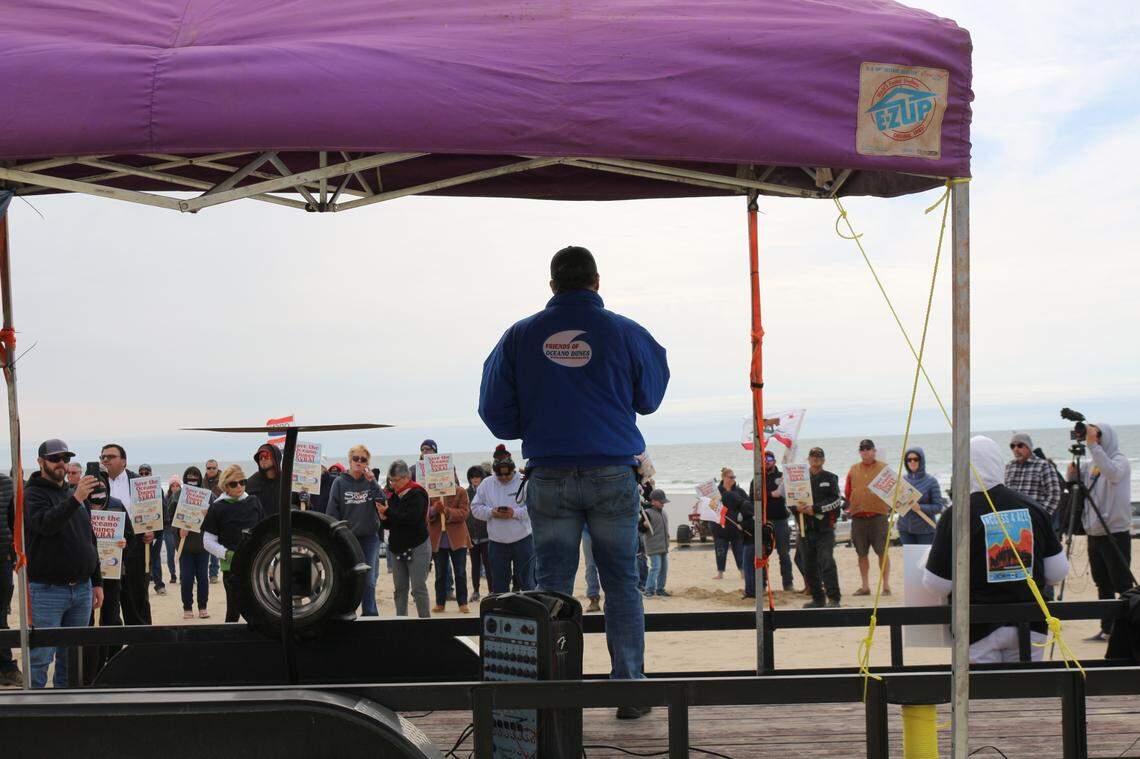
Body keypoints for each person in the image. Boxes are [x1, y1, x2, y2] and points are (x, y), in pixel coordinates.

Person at [479, 245, 669, 719]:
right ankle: (629, 690)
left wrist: (543, 418)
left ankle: (557, 697)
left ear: (552, 286)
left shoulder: (519, 336)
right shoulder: (626, 331)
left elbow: (494, 413)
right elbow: (650, 397)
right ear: (597, 282)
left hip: (550, 474)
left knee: (553, 587)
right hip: (611, 473)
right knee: (622, 583)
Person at [924, 436, 1068, 662]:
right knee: (1024, 692)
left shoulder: (957, 513)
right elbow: (1057, 572)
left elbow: (937, 584)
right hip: (1031, 624)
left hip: (977, 627)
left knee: (983, 694)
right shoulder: (1033, 507)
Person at [24, 439, 103, 688]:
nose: (62, 464)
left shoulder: (72, 495)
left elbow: (89, 539)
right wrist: (76, 499)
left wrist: (96, 582)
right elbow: (45, 524)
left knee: (71, 657)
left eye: (65, 459)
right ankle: (32, 710)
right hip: (47, 590)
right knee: (41, 657)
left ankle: (65, 707)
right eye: (55, 458)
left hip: (81, 588)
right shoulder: (31, 494)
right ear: (40, 462)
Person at [1070, 422, 1133, 643]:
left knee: (1122, 584)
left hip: (1115, 531)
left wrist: (1093, 444)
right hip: (1094, 532)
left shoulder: (1120, 461)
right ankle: (1107, 629)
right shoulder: (1091, 464)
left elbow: (1113, 474)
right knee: (1102, 583)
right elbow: (1079, 487)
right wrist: (1072, 474)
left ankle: (1130, 628)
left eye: (1097, 435)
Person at [202, 465, 267, 623]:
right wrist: (226, 554)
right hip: (231, 566)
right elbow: (208, 542)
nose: (239, 486)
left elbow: (264, 532)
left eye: (242, 482)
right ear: (225, 487)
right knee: (234, 609)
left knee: (258, 609)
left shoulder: (254, 502)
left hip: (255, 564)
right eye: (233, 484)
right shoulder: (217, 508)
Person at [326, 445, 385, 616]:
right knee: (346, 578)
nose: (359, 462)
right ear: (350, 461)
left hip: (369, 538)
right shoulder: (339, 482)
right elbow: (332, 512)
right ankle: (346, 613)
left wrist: (372, 481)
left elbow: (382, 501)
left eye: (363, 459)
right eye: (356, 459)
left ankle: (370, 614)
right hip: (347, 538)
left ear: (367, 462)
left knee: (369, 580)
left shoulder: (370, 481)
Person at [100, 443, 153, 623]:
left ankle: (142, 647)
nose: (106, 460)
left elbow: (159, 515)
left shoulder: (140, 483)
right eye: (103, 457)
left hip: (135, 552)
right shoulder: (95, 483)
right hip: (104, 553)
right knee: (108, 608)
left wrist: (154, 533)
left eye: (111, 456)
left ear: (123, 461)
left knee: (136, 604)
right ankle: (113, 650)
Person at [470, 458, 536, 594]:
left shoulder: (524, 480)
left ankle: (530, 611)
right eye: (500, 475)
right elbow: (475, 508)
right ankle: (503, 613)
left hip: (523, 539)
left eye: (508, 474)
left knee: (527, 582)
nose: (504, 477)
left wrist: (515, 513)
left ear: (514, 470)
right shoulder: (486, 484)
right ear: (494, 473)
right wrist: (491, 512)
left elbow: (534, 507)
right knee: (499, 585)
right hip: (497, 542)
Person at [380, 460, 431, 618]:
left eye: (395, 480)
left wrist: (388, 513)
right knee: (400, 588)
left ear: (406, 477)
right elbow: (392, 523)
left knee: (418, 588)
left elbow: (411, 519)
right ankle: (401, 621)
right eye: (391, 480)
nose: (393, 483)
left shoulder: (418, 493)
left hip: (417, 546)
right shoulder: (394, 497)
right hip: (397, 547)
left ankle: (425, 622)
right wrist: (383, 517)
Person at [795, 447, 843, 608]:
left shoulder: (830, 478)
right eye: (813, 456)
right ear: (808, 459)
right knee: (808, 566)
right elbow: (790, 500)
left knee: (826, 562)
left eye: (819, 457)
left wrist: (815, 508)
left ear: (823, 460)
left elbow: (837, 501)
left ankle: (834, 598)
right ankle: (818, 599)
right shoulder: (798, 479)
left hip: (824, 530)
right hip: (804, 529)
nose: (815, 459)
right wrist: (796, 509)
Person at [844, 439, 891, 596]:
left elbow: (894, 489)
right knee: (861, 553)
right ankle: (865, 587)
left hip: (878, 517)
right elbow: (848, 492)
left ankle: (886, 585)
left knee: (882, 551)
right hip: (858, 517)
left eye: (868, 449)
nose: (865, 451)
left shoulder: (884, 468)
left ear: (874, 451)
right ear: (860, 452)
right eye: (862, 449)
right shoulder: (853, 469)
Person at [749, 451, 794, 592]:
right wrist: (770, 494)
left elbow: (792, 493)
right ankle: (762, 585)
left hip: (781, 520)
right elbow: (752, 499)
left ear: (774, 461)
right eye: (763, 459)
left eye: (769, 458)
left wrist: (784, 486)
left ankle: (788, 584)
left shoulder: (782, 476)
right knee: (762, 554)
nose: (766, 461)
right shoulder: (757, 479)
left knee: (784, 554)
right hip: (764, 521)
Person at [428, 476, 472, 614]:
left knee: (460, 572)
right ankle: (440, 603)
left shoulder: (460, 491)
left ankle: (463, 602)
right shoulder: (431, 492)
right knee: (440, 574)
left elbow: (464, 513)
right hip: (438, 539)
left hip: (458, 539)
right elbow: (425, 514)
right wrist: (435, 510)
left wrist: (446, 511)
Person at [1004, 432, 1062, 525]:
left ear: (1028, 447)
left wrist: (1041, 516)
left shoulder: (1044, 465)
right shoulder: (1009, 466)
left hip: (1036, 521)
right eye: (1012, 446)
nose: (1016, 449)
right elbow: (1004, 493)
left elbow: (1054, 495)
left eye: (1019, 445)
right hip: (1013, 522)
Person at [177, 467, 211, 619]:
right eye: (189, 478)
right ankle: (187, 607)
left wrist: (208, 514)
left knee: (203, 577)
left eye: (195, 478)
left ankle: (203, 606)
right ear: (185, 479)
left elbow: (217, 514)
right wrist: (178, 530)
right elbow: (168, 515)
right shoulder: (178, 495)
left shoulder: (207, 495)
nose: (192, 480)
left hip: (203, 545)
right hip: (185, 546)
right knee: (187, 577)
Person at [0, 471, 21, 686]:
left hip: (3, 561)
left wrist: (16, 556)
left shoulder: (6, 484)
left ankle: (6, 668)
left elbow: (16, 525)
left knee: (1, 618)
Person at [899, 447, 944, 545]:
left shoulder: (931, 481)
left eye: (916, 459)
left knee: (925, 560)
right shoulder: (902, 481)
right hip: (905, 529)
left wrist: (920, 507)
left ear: (921, 460)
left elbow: (938, 507)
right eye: (909, 460)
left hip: (925, 530)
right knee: (910, 560)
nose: (912, 462)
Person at [465, 465, 493, 603]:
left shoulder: (487, 492)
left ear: (482, 478)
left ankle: (491, 591)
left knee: (489, 565)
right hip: (471, 536)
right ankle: (475, 591)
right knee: (474, 565)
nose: (475, 480)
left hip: (487, 535)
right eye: (473, 478)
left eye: (478, 477)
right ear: (469, 479)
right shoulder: (466, 493)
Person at [714, 468, 746, 580]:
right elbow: (709, 505)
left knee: (739, 551)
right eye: (731, 477)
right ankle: (720, 573)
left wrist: (742, 516)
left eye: (734, 477)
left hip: (736, 527)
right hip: (720, 527)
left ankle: (742, 572)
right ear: (724, 478)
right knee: (720, 551)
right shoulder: (716, 492)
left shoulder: (739, 491)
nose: (733, 479)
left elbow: (747, 504)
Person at [642, 490, 670, 598]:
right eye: (661, 501)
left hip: (663, 546)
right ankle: (649, 590)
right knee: (656, 567)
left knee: (664, 568)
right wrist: (644, 525)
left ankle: (660, 589)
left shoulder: (664, 512)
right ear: (653, 501)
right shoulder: (647, 513)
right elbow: (640, 529)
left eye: (663, 501)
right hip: (653, 546)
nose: (663, 503)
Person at [246, 443, 283, 517]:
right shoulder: (251, 482)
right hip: (261, 526)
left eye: (266, 456)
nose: (263, 459)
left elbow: (301, 505)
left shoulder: (288, 480)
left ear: (275, 458)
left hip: (283, 525)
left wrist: (306, 500)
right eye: (260, 458)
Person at [203, 459, 223, 584]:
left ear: (217, 468)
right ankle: (203, 573)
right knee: (205, 545)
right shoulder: (203, 481)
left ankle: (214, 574)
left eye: (213, 468)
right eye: (209, 468)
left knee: (215, 546)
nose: (211, 470)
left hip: (219, 517)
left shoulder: (223, 480)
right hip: (204, 518)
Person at [160, 475, 181, 587]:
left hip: (180, 528)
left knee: (182, 553)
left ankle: (183, 575)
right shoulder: (166, 497)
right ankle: (173, 575)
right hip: (168, 529)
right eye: (173, 485)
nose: (175, 487)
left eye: (177, 485)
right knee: (170, 553)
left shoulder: (183, 497)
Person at [581, 524, 602, 612]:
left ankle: (612, 599)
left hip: (605, 523)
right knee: (590, 565)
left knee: (608, 564)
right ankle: (594, 599)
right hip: (586, 527)